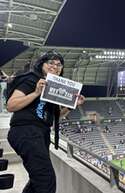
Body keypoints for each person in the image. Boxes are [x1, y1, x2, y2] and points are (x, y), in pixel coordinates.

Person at [6, 50, 85, 193]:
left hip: (41, 134)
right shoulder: (31, 79)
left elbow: (55, 116)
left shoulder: (54, 88)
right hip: (26, 131)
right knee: (46, 179)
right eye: (51, 62)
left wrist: (70, 106)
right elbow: (11, 105)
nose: (55, 66)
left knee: (37, 180)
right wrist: (36, 93)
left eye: (59, 64)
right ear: (41, 64)